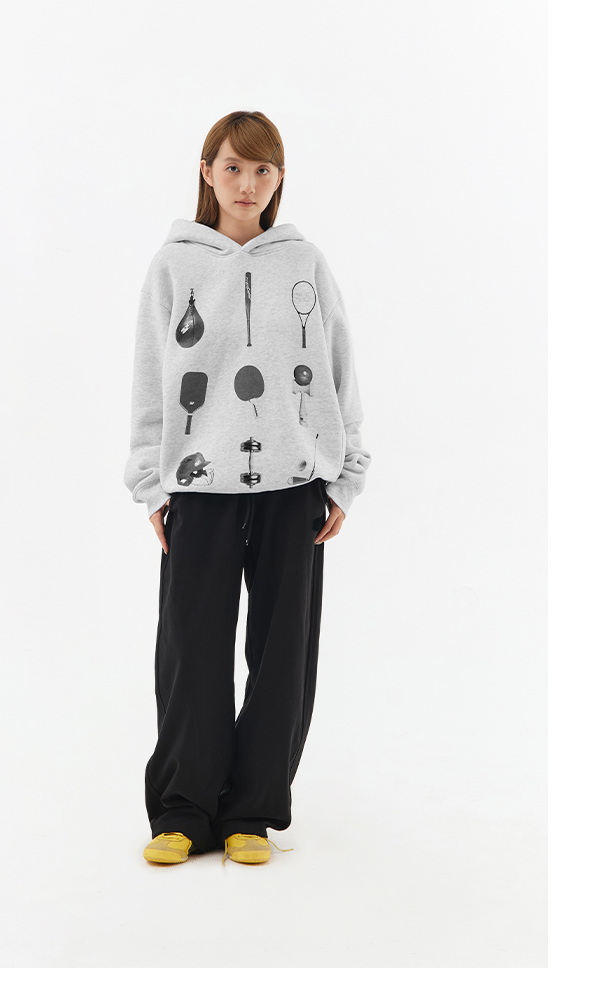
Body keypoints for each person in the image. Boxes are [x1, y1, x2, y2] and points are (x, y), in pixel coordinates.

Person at [123, 110, 371, 867]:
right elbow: (151, 380)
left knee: (282, 651)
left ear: (279, 178)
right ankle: (183, 811)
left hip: (294, 484)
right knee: (190, 650)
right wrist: (151, 483)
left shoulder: (304, 263)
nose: (247, 183)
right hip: (198, 487)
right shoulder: (174, 266)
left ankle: (252, 814)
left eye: (263, 170)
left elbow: (338, 368)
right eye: (233, 167)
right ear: (207, 172)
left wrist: (346, 475)